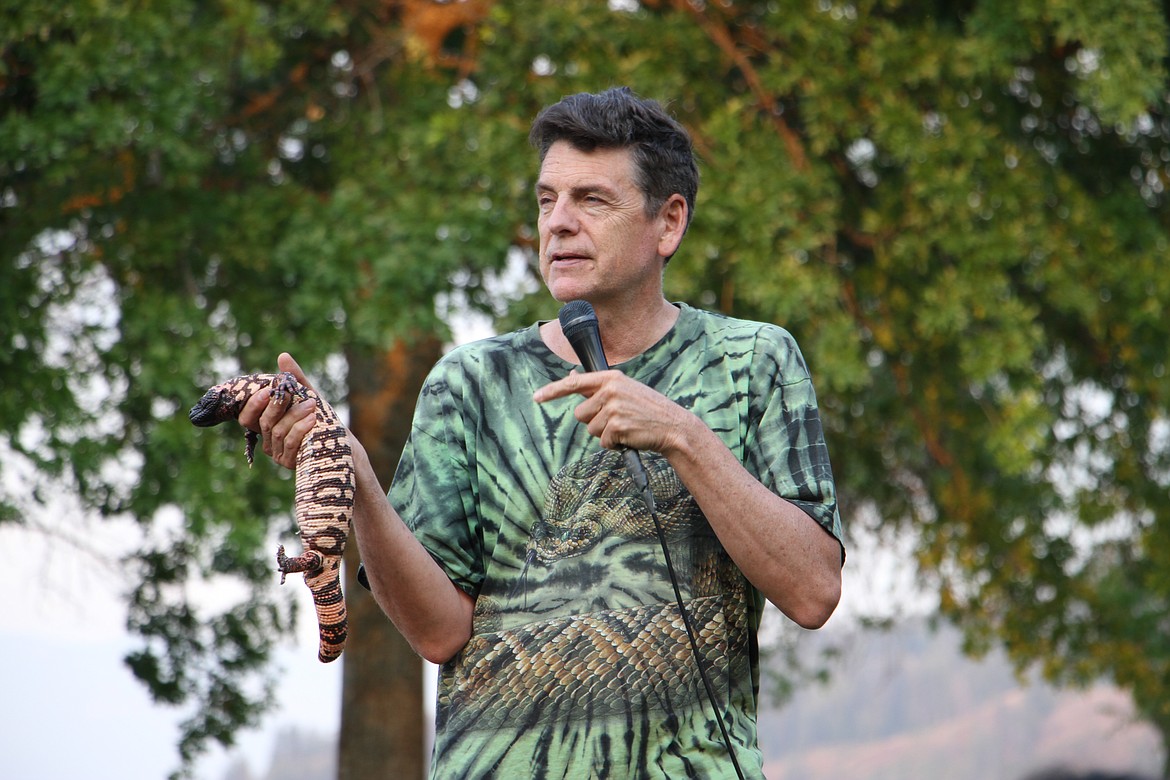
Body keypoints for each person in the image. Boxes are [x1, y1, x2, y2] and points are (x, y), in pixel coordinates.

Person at [242, 86, 845, 779]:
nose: (557, 224)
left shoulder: (754, 362)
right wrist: (361, 484)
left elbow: (813, 592)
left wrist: (681, 433)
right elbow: (439, 633)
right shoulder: (468, 384)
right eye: (546, 200)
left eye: (591, 200)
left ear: (668, 223)